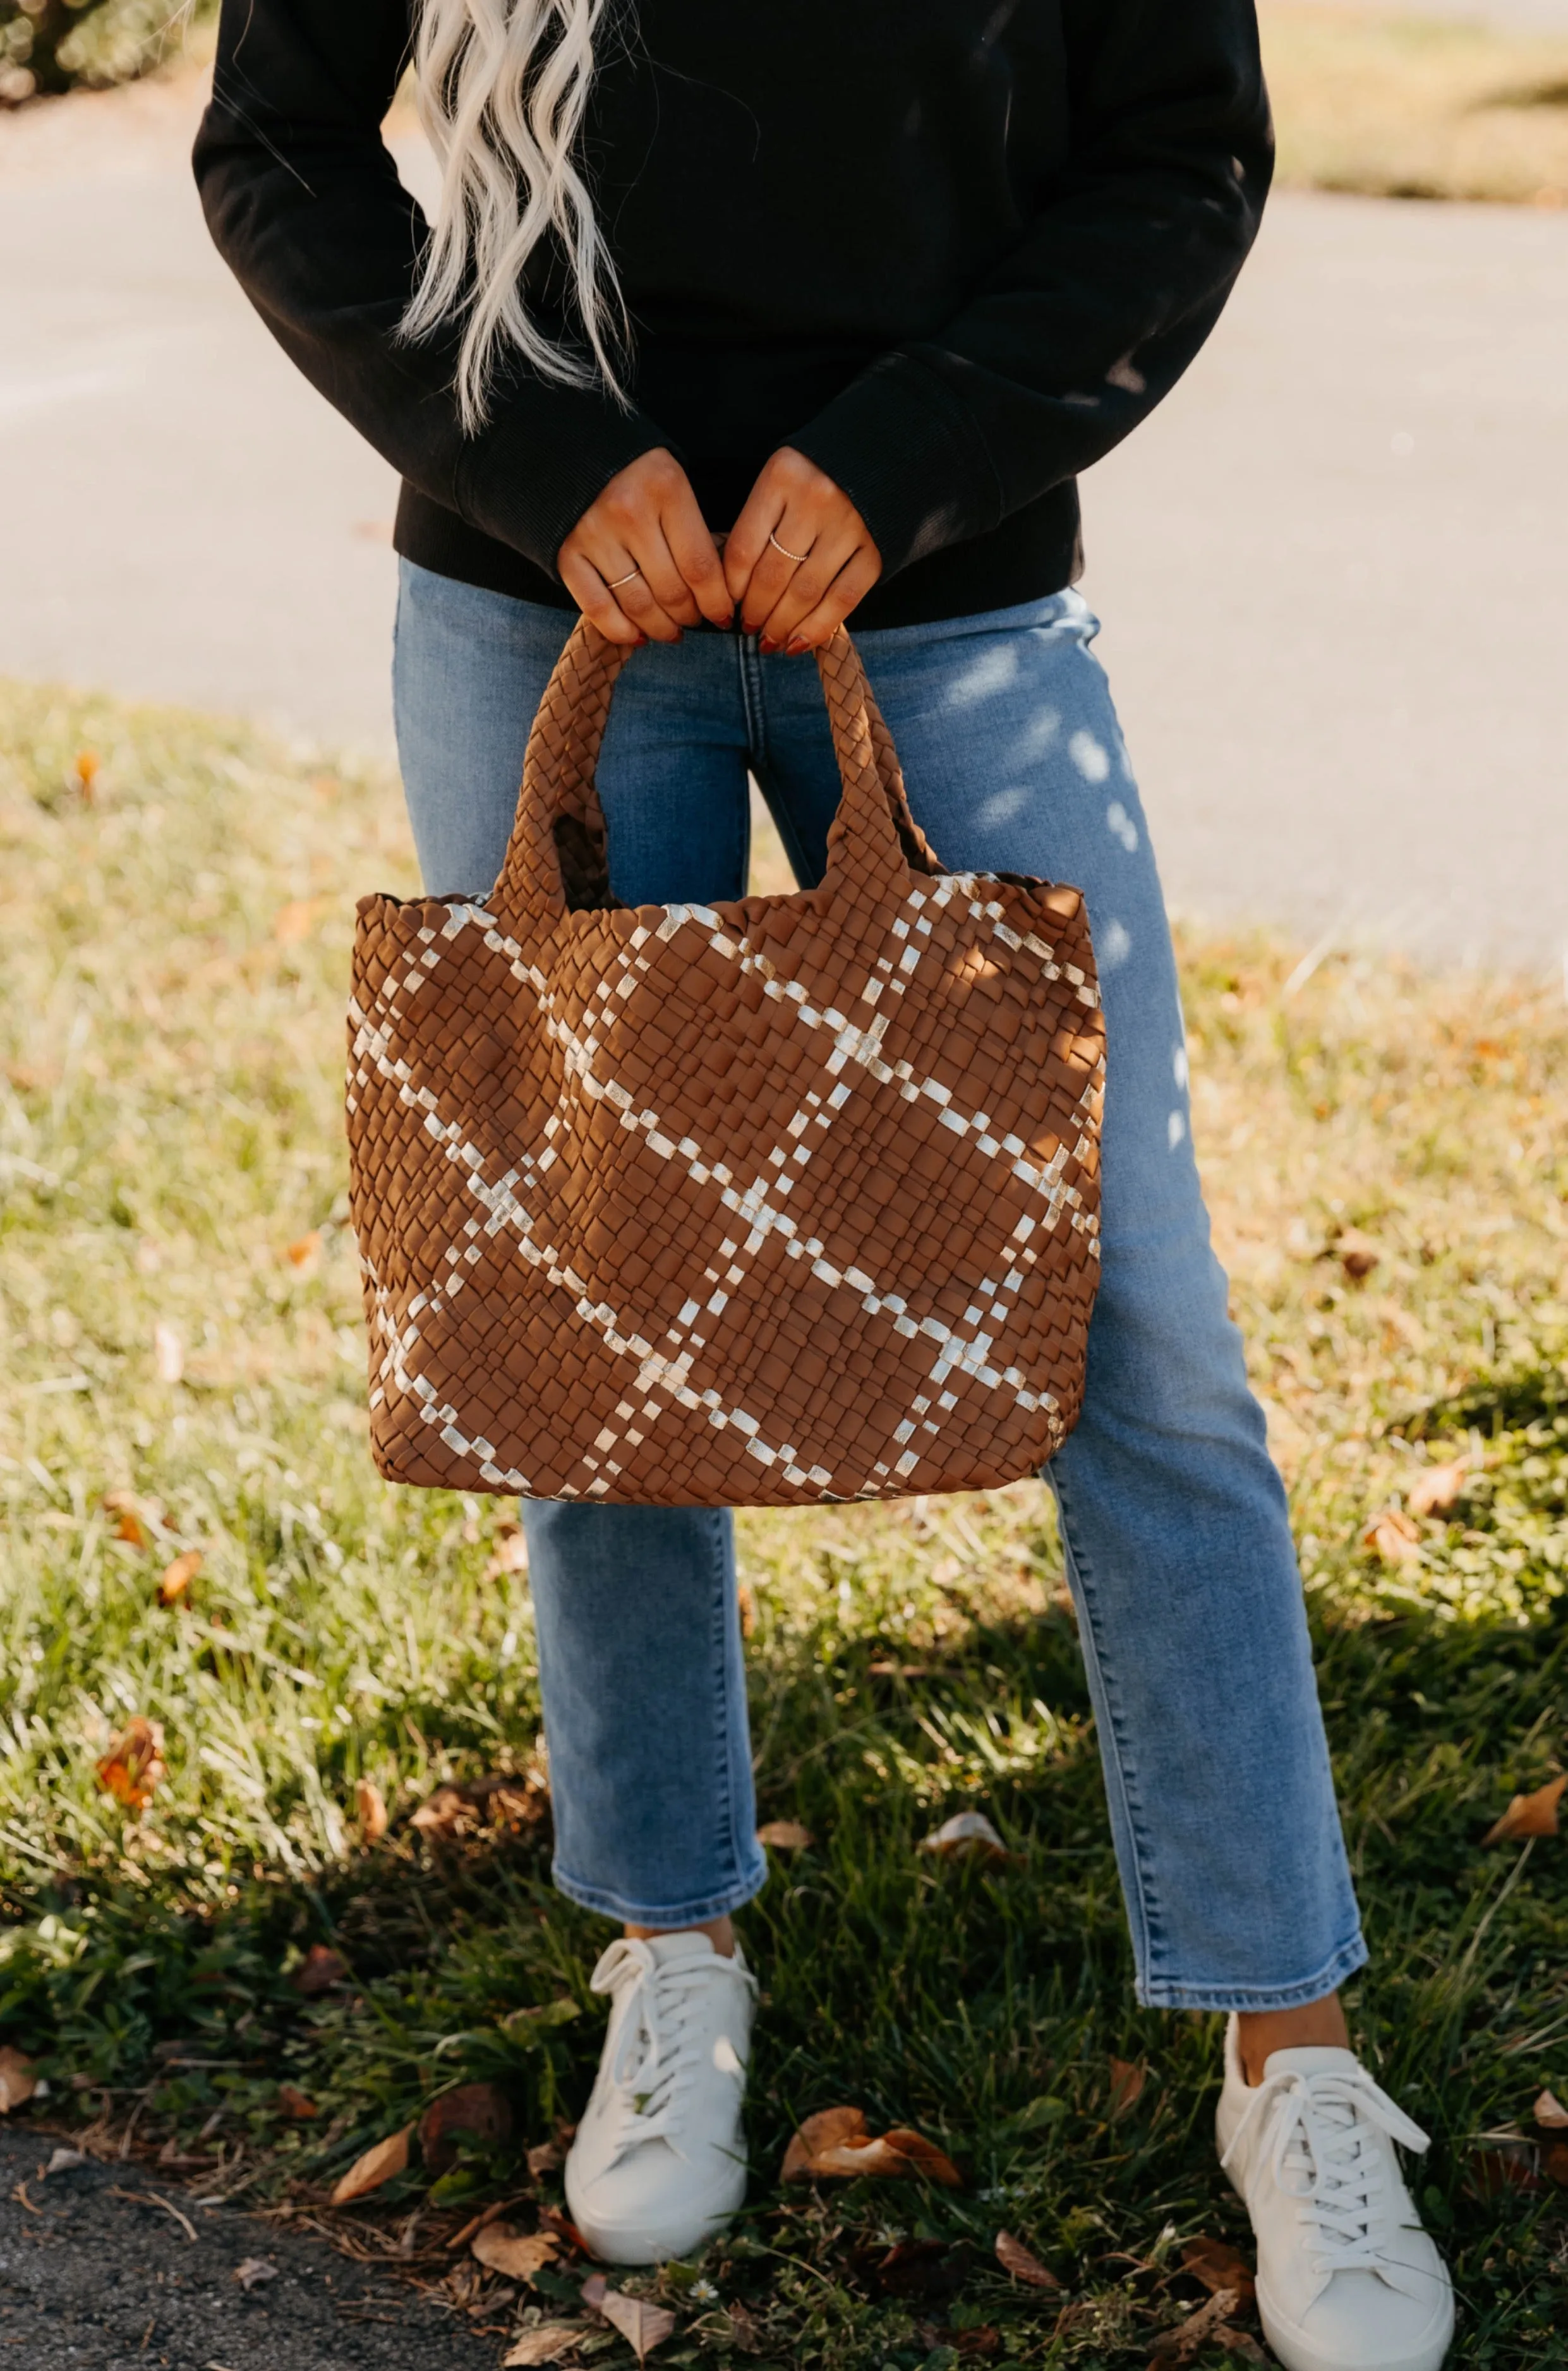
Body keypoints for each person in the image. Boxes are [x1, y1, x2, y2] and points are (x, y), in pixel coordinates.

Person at [193, 6, 1453, 2365]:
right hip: (535, 583)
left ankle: (1292, 2045)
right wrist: (546, 457)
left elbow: (1180, 147)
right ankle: (672, 1950)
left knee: (1144, 1312)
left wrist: (912, 455)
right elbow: (278, 148)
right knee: (600, 1307)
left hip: (962, 601)